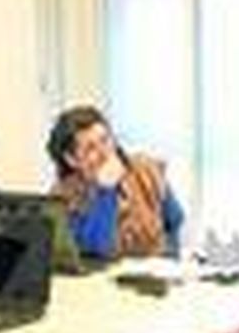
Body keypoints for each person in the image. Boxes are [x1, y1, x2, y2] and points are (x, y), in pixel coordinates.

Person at [46, 104, 184, 259]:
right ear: (71, 159)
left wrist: (169, 261)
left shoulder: (145, 169)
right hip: (99, 279)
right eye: (90, 148)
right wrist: (105, 191)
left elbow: (175, 219)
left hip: (151, 274)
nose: (104, 153)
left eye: (105, 140)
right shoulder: (64, 196)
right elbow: (97, 249)